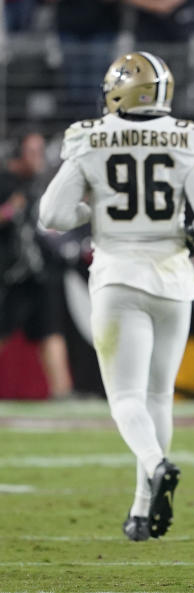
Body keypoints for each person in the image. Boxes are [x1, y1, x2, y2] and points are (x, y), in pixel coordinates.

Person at [38, 52, 194, 540]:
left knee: (124, 396)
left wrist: (96, 210)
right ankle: (143, 509)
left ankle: (156, 464)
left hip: (119, 277)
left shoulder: (91, 136)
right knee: (158, 396)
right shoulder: (186, 136)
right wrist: (183, 235)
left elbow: (53, 214)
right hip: (173, 280)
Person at [0, 130, 74, 399]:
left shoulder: (40, 182)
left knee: (50, 330)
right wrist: (10, 210)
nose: (39, 158)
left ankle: (62, 393)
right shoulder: (5, 181)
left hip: (40, 271)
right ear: (17, 154)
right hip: (10, 273)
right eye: (33, 152)